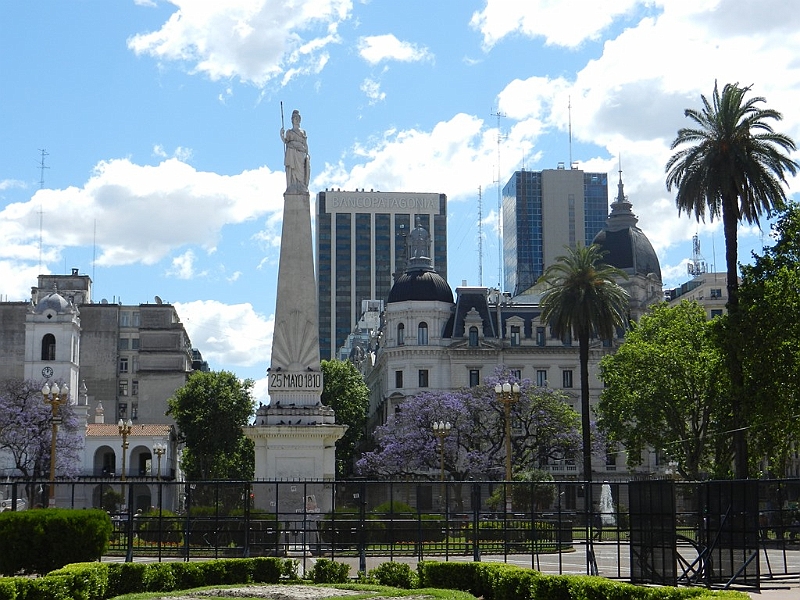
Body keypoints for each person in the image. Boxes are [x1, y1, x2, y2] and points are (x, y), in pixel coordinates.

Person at [280, 109, 310, 192]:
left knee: (301, 172)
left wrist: (307, 154)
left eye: (297, 118)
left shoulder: (303, 132)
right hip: (292, 154)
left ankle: (302, 186)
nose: (296, 120)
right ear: (292, 120)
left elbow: (305, 143)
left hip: (301, 154)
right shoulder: (289, 132)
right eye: (294, 118)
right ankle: (292, 186)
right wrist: (281, 135)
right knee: (292, 172)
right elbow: (286, 141)